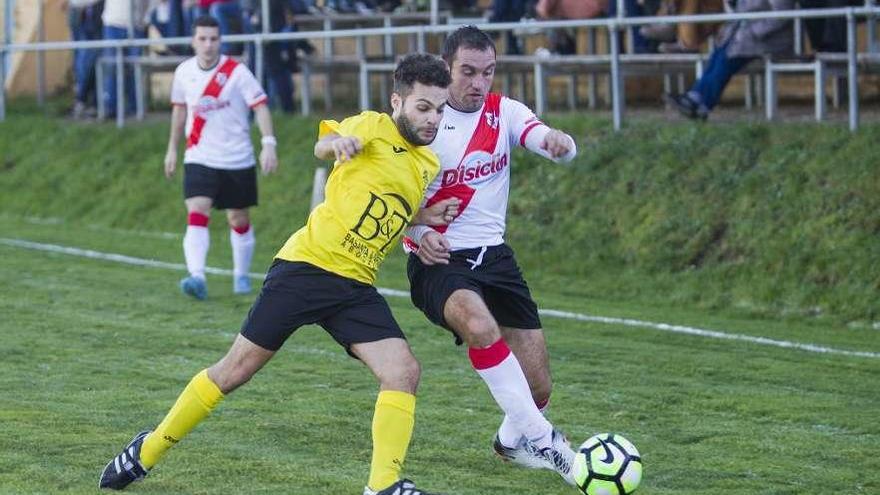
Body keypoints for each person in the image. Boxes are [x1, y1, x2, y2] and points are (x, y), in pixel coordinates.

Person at [98, 52, 455, 495]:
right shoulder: (371, 125)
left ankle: (382, 485)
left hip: (355, 286)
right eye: (424, 107)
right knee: (234, 371)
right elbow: (323, 145)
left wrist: (423, 224)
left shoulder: (427, 164)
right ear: (397, 101)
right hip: (306, 269)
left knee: (404, 371)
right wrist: (337, 146)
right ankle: (147, 450)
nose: (433, 118)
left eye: (440, 109)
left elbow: (387, 204)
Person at [402, 25, 579, 486]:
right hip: (438, 262)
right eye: (468, 72)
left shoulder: (505, 112)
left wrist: (558, 142)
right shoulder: (424, 125)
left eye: (488, 72)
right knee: (480, 325)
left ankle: (510, 442)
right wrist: (420, 232)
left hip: (495, 259)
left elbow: (544, 138)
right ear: (446, 69)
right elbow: (392, 204)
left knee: (538, 385)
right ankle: (548, 442)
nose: (479, 83)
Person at [164, 15, 277, 300]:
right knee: (197, 211)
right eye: (202, 39)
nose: (208, 44)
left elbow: (260, 106)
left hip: (237, 158)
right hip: (199, 156)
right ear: (193, 41)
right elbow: (179, 112)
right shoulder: (183, 72)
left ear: (220, 40)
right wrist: (172, 150)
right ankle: (197, 276)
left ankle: (241, 274)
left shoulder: (237, 72)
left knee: (238, 218)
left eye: (213, 39)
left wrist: (268, 143)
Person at [668, 0, 795, 120]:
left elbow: (782, 15)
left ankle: (700, 102)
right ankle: (696, 98)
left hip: (770, 40)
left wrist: (754, 32)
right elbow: (740, 14)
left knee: (727, 60)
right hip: (745, 38)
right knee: (717, 56)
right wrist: (727, 32)